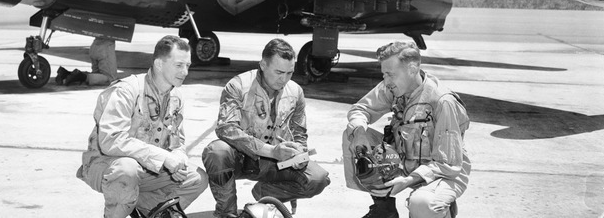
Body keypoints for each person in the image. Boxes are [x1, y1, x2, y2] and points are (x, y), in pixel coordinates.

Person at [76, 35, 208, 218]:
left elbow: (177, 142)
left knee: (196, 178)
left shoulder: (176, 97)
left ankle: (153, 212)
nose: (185, 72)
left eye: (188, 66)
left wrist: (177, 157)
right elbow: (111, 141)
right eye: (179, 65)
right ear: (159, 64)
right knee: (126, 171)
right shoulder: (126, 91)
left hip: (148, 168)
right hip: (105, 165)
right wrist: (163, 157)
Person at [202, 38, 330, 218]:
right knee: (216, 151)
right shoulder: (238, 86)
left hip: (278, 164)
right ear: (262, 65)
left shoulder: (295, 92)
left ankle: (263, 197)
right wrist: (271, 151)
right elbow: (226, 128)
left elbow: (299, 132)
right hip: (242, 158)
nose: (283, 79)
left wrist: (299, 153)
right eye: (278, 72)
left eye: (289, 73)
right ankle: (227, 213)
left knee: (318, 178)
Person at [344, 41, 471, 218]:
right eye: (384, 75)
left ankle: (442, 210)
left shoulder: (442, 101)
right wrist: (359, 133)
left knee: (421, 204)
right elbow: (360, 109)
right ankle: (384, 209)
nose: (386, 81)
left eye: (390, 75)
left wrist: (408, 181)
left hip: (443, 173)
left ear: (412, 69)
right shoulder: (394, 87)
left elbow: (448, 163)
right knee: (353, 134)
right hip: (406, 162)